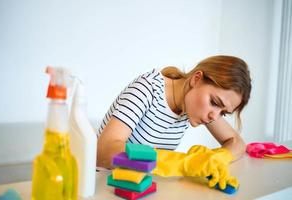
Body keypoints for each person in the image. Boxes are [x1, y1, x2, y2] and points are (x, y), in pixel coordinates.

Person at [97, 55, 252, 170]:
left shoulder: (195, 105)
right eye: (215, 103)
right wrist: (179, 161)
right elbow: (103, 151)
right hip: (104, 186)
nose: (214, 117)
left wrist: (215, 159)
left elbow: (237, 143)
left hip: (139, 187)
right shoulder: (148, 89)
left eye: (223, 113)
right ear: (196, 79)